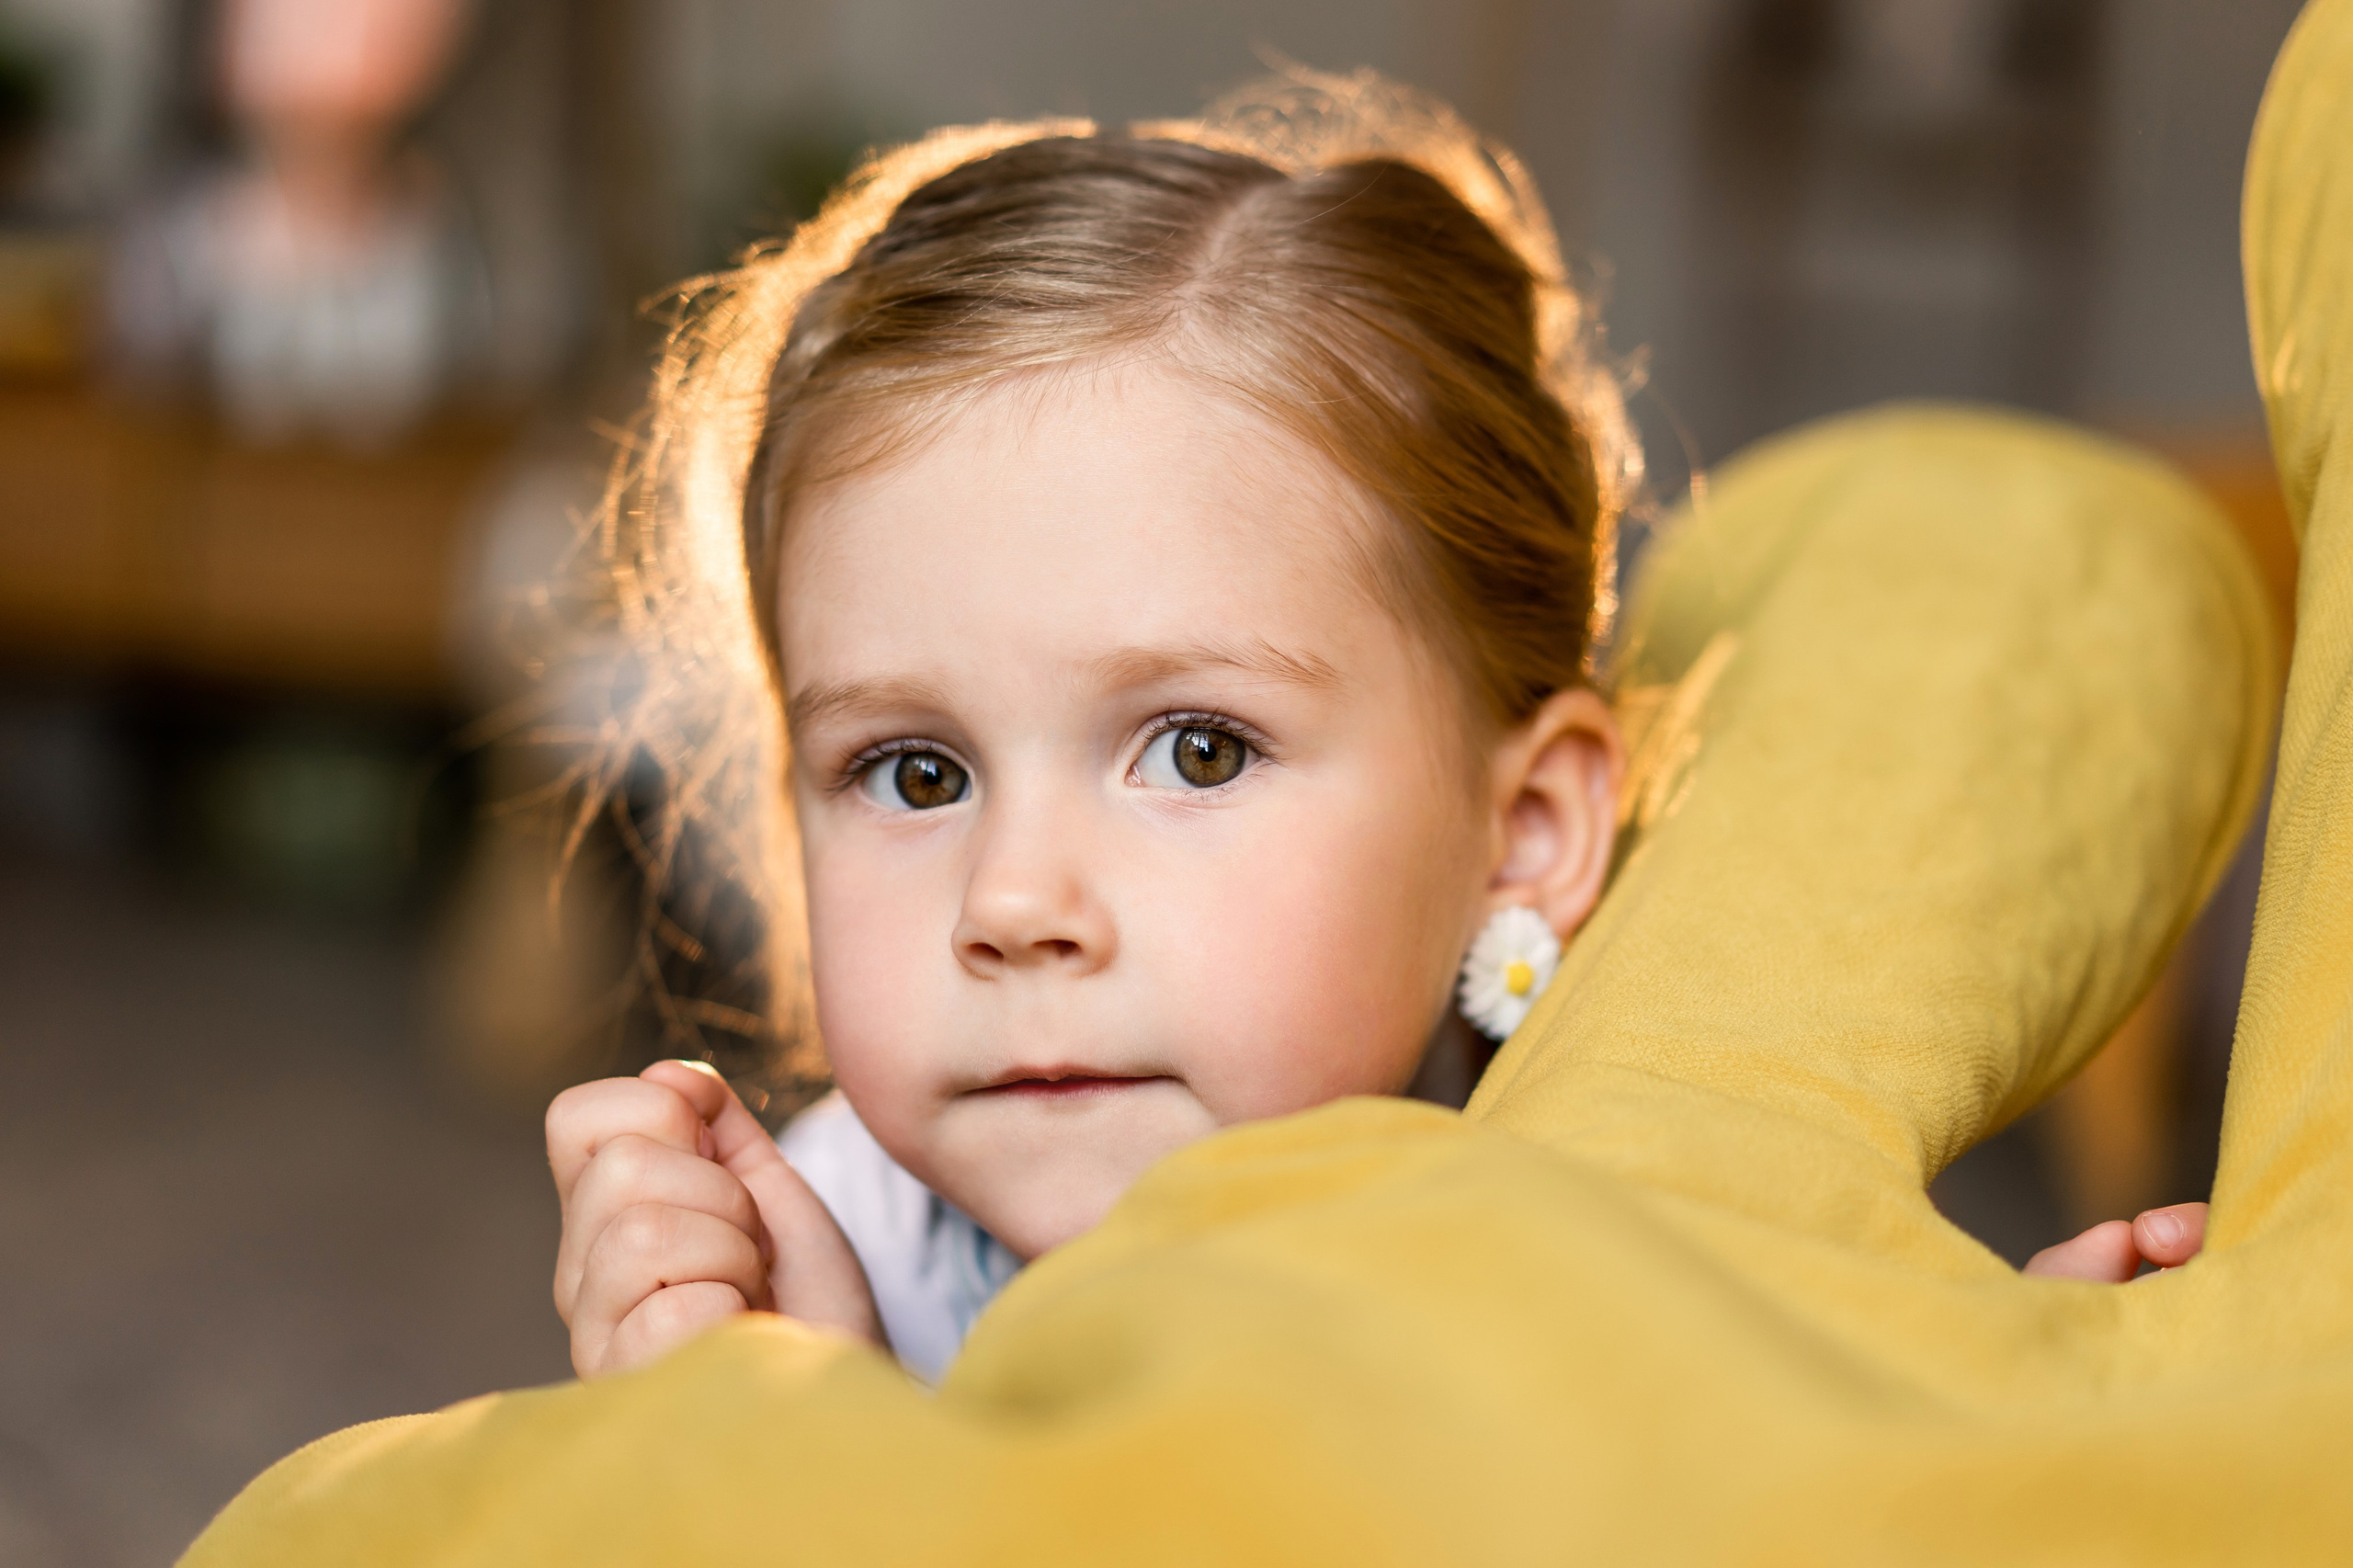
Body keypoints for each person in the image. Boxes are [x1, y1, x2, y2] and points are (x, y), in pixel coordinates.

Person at [542, 74, 2207, 1389]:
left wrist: (1985, 1404)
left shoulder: (1644, 1198)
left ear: (1526, 830)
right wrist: (770, 1436)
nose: (1012, 902)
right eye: (916, 772)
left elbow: (1758, 1465)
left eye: (1196, 748)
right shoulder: (812, 1256)